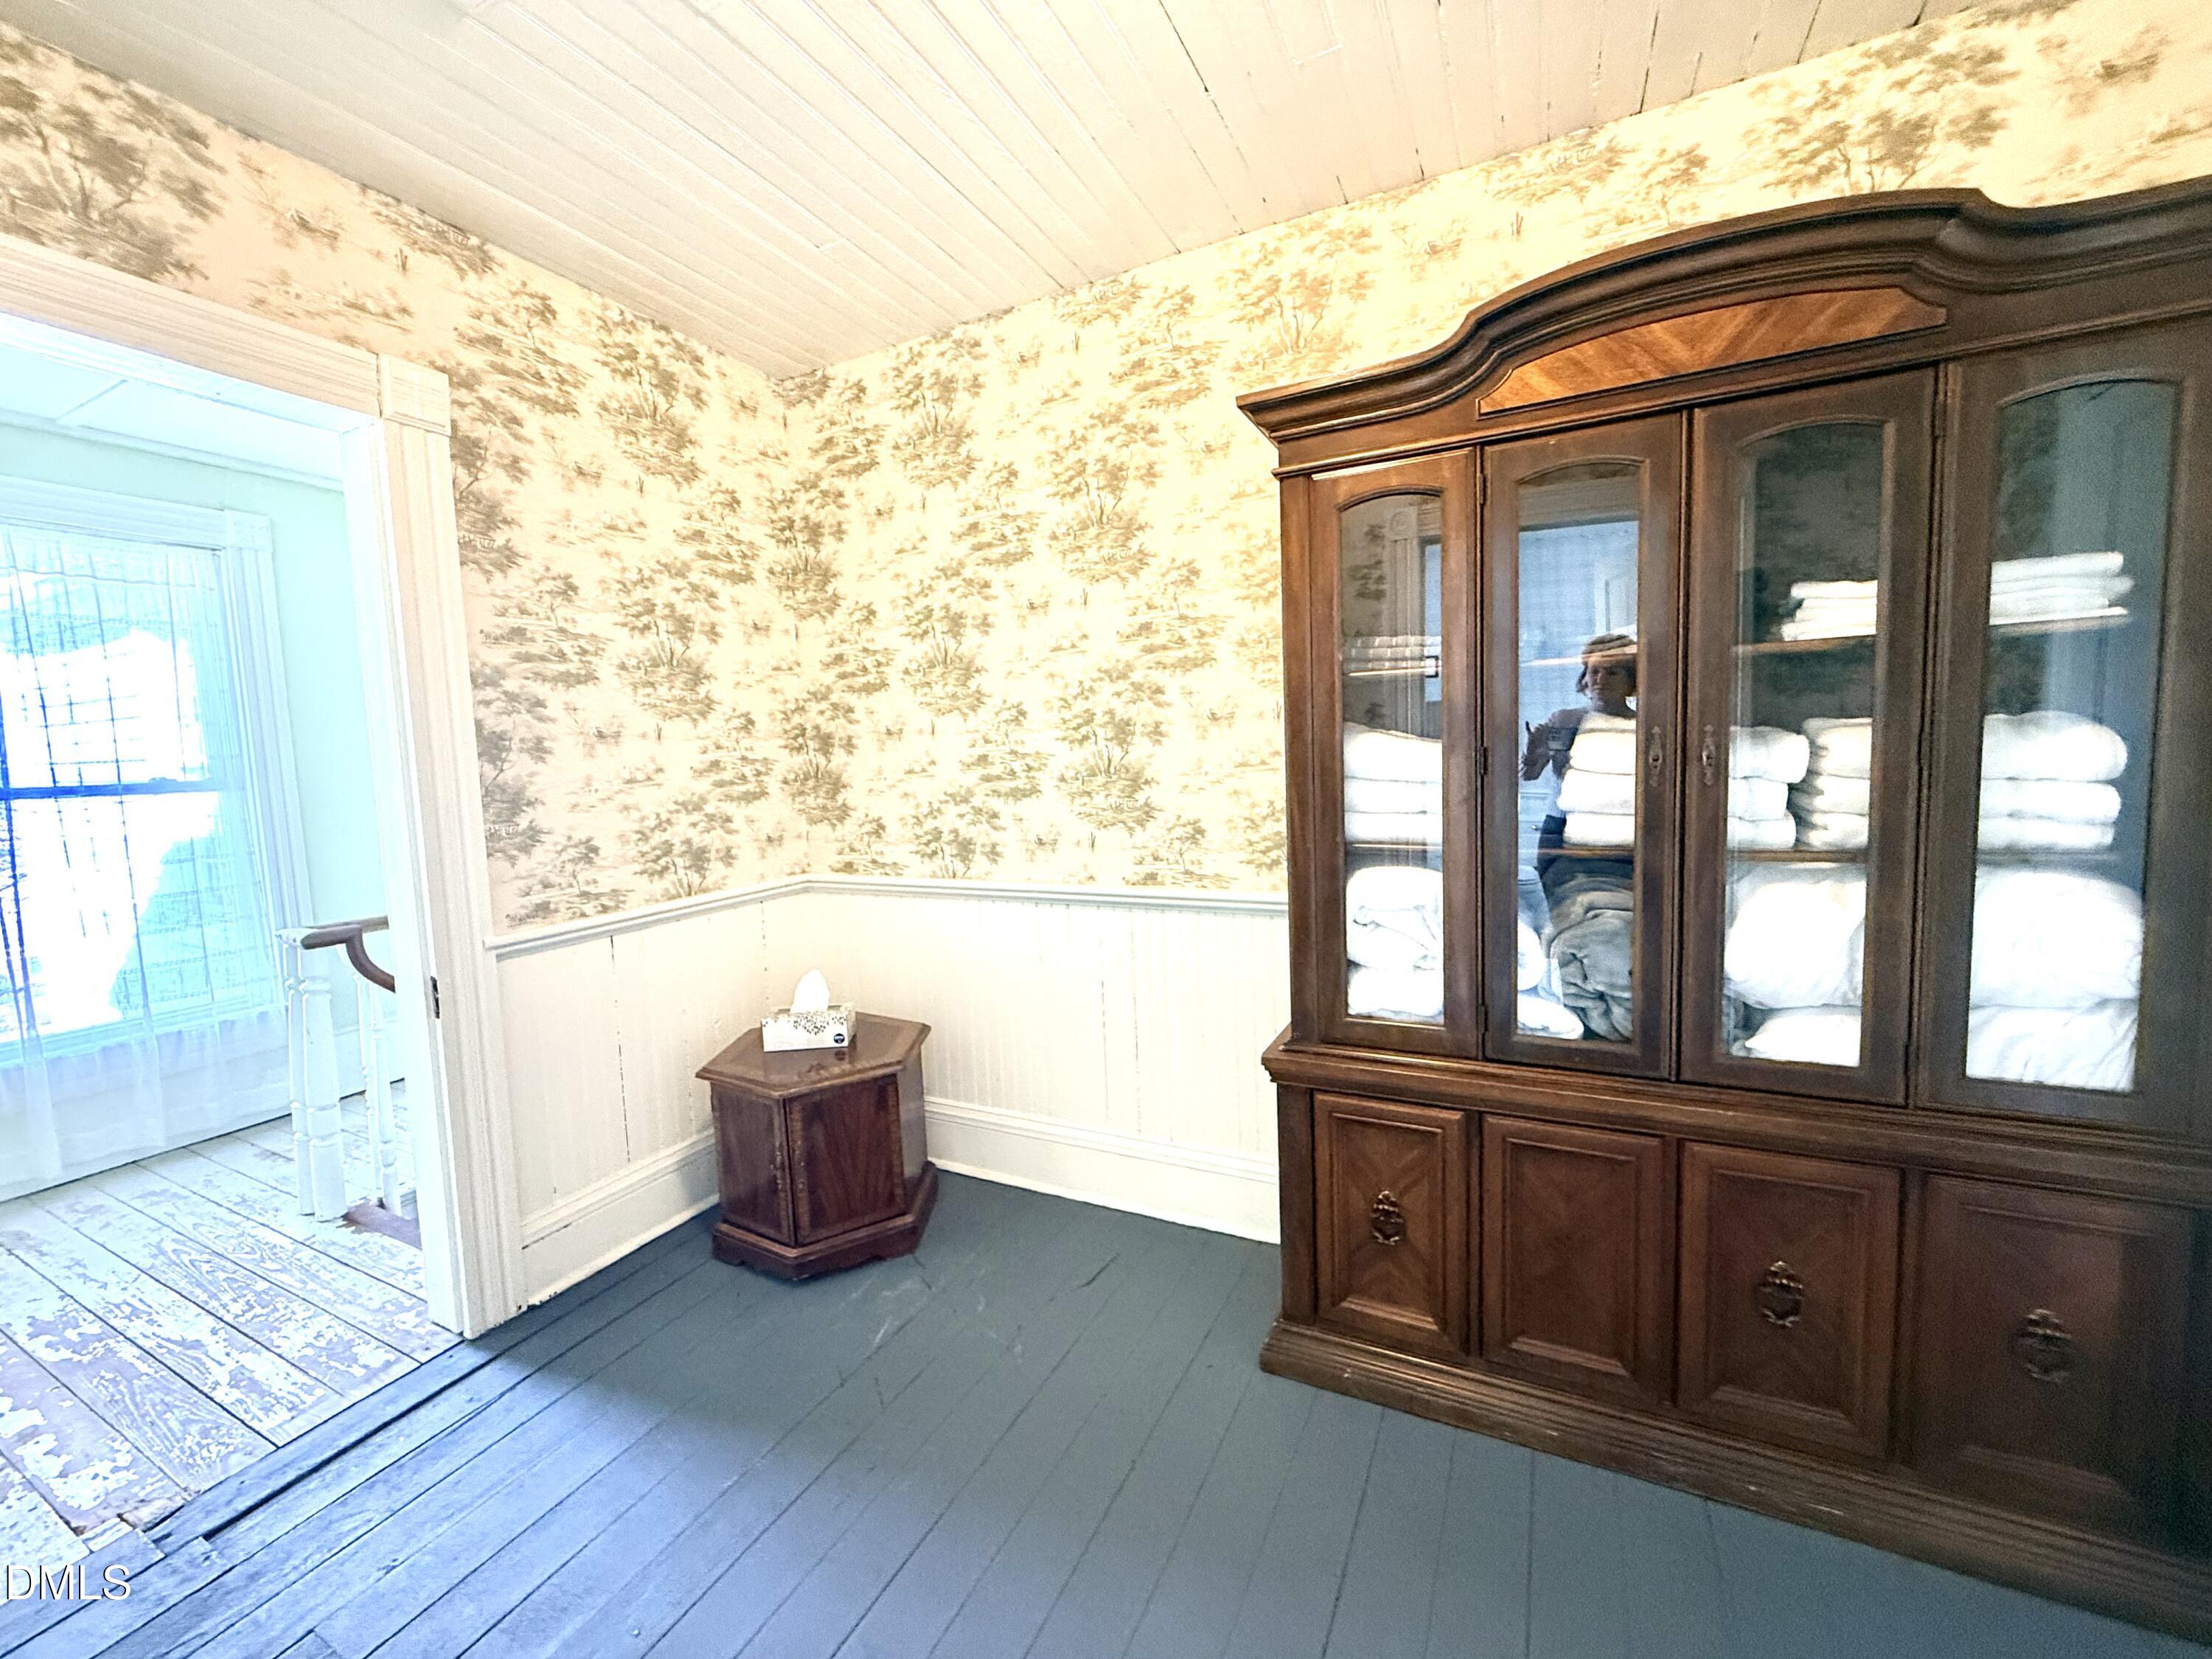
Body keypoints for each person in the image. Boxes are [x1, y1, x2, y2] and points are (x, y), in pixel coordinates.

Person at [1522, 630, 1637, 895]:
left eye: (1613, 672)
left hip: (1623, 834)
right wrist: (1534, 754)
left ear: (1632, 681)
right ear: (1584, 677)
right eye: (1594, 671)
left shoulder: (1646, 726)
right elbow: (1529, 775)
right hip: (1560, 830)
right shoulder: (1565, 720)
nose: (1600, 680)